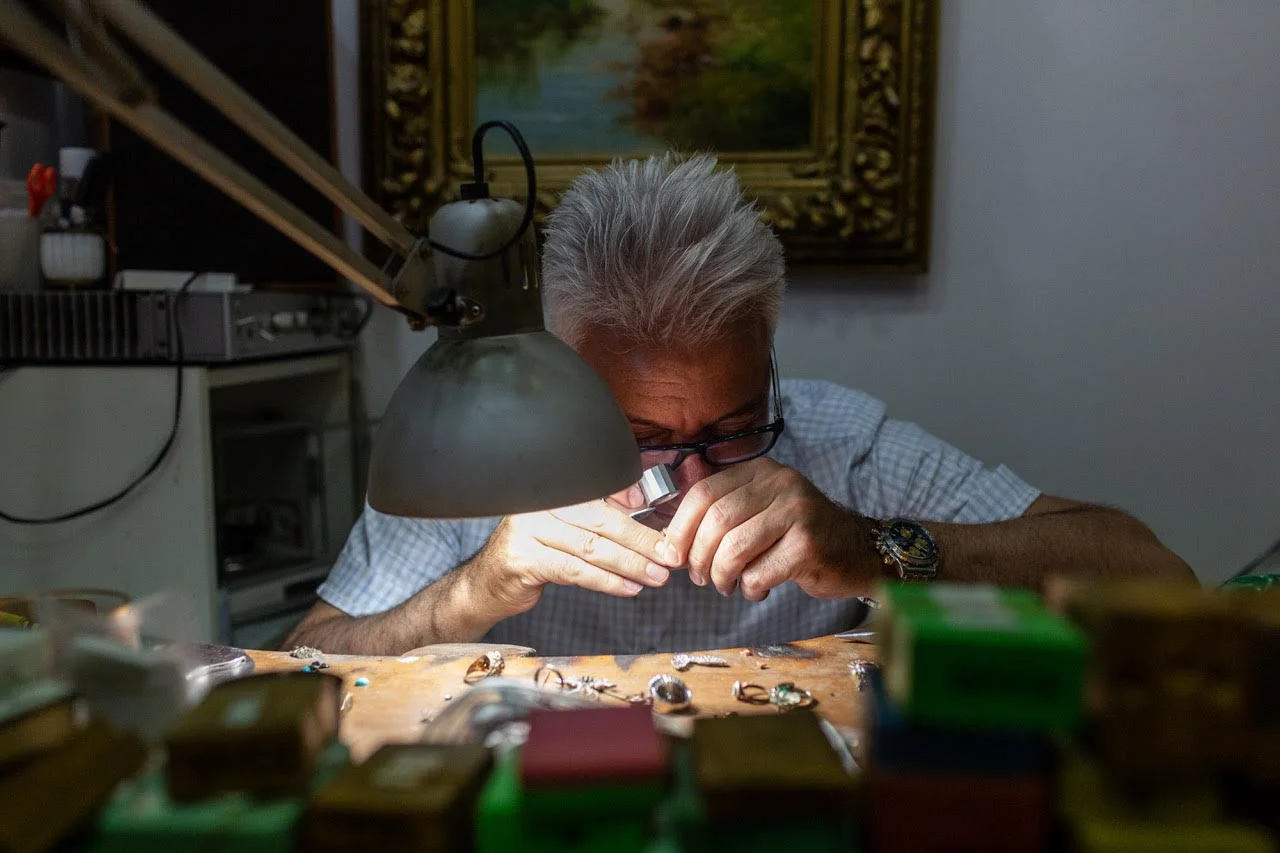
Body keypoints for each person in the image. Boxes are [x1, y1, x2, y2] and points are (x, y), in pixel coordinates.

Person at [286, 153, 1193, 656]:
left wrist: (875, 548)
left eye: (730, 432)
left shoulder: (839, 443)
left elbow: (1153, 573)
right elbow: (311, 655)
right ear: (556, 373)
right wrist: (470, 592)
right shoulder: (483, 454)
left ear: (767, 360)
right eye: (635, 437)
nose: (685, 479)